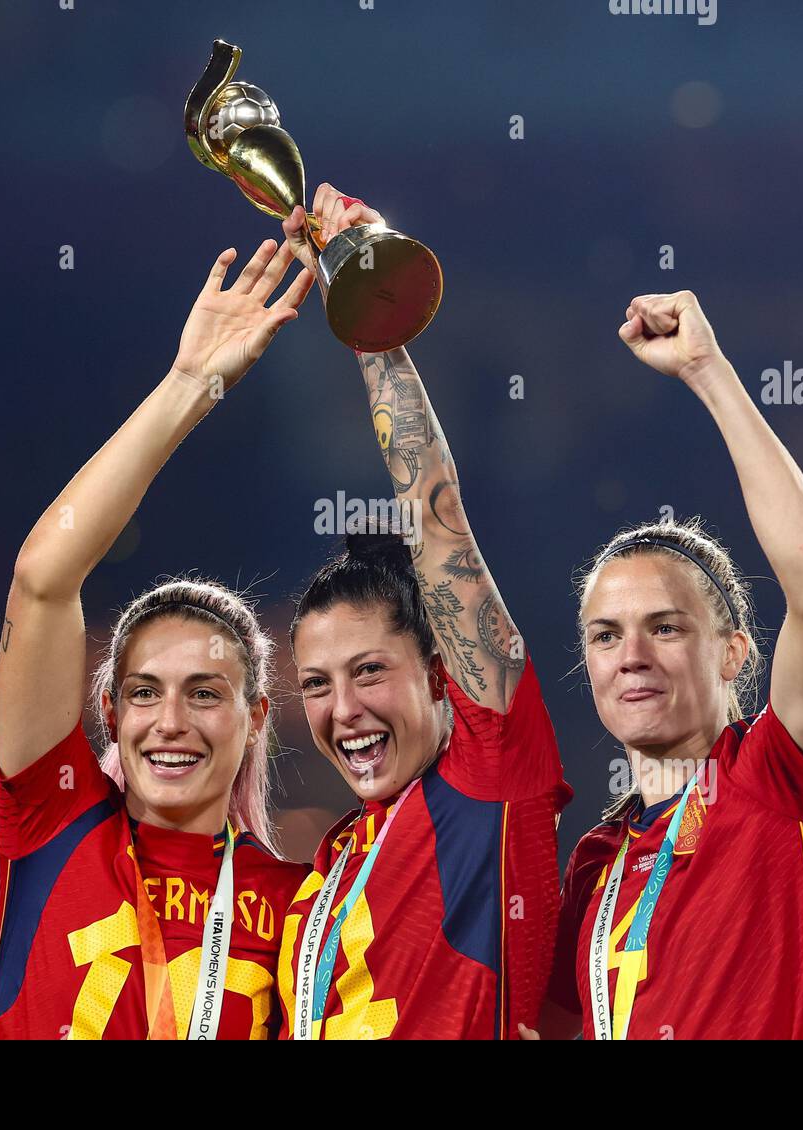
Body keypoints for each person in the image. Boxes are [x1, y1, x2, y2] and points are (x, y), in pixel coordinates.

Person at [0, 238, 315, 1039]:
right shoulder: (54, 822)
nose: (170, 722)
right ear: (108, 709)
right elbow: (42, 579)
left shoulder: (305, 905)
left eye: (205, 693)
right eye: (144, 692)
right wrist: (190, 384)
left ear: (258, 717)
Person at [273, 185, 572, 1039]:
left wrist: (369, 321)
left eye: (369, 672)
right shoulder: (331, 866)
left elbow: (436, 517)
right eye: (319, 683)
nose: (344, 710)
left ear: (443, 674)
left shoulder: (488, 782)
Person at [534, 290, 803, 1039]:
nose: (631, 656)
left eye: (664, 627)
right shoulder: (595, 865)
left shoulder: (777, 779)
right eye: (604, 635)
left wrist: (707, 372)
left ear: (732, 651)